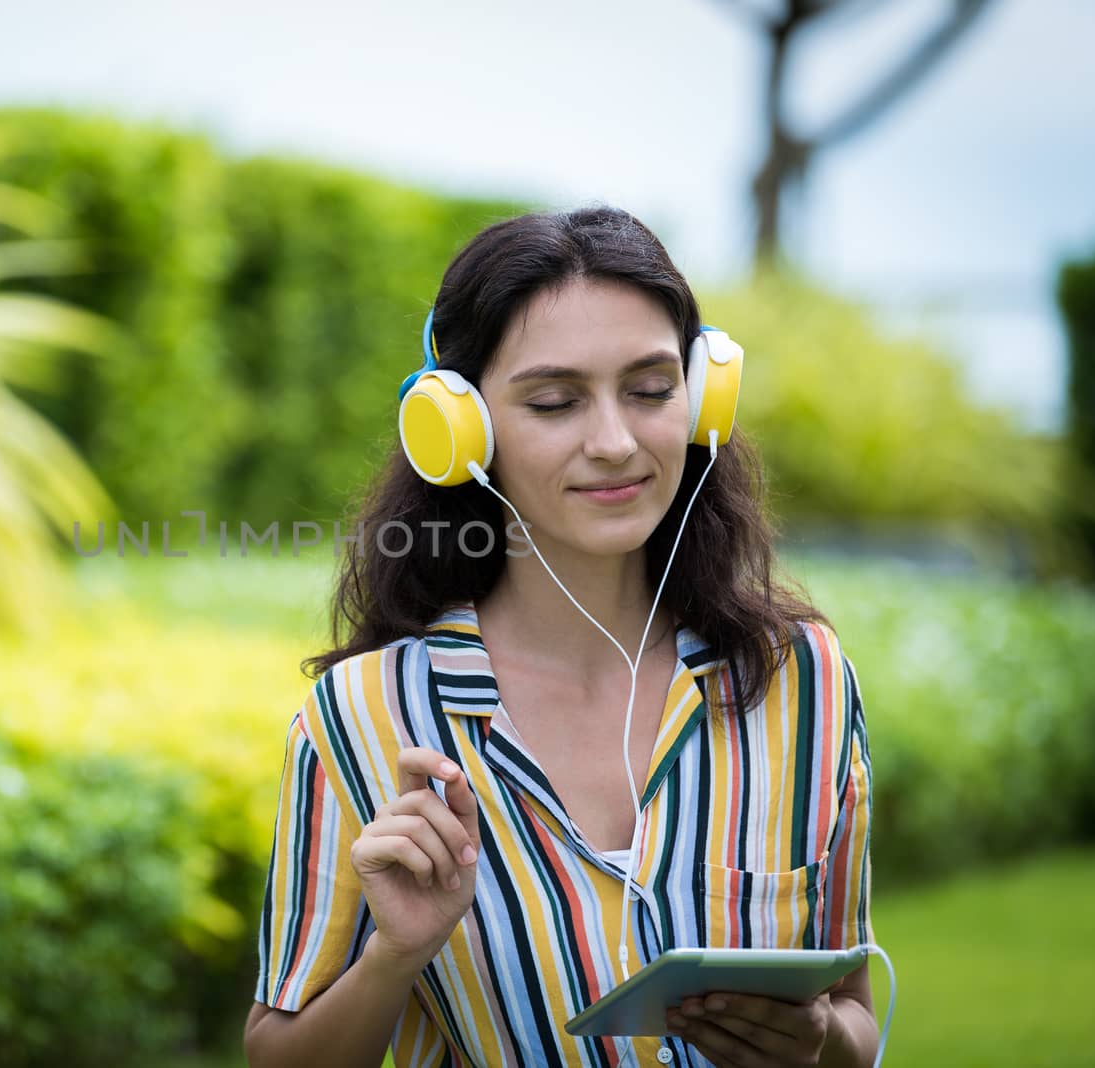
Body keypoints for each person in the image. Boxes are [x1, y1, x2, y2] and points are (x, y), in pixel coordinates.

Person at [243, 207, 879, 1068]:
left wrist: (817, 1044)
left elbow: (853, 1016)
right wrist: (396, 956)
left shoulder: (800, 681)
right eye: (554, 401)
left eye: (652, 390)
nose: (615, 443)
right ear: (459, 430)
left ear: (703, 400)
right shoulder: (362, 718)